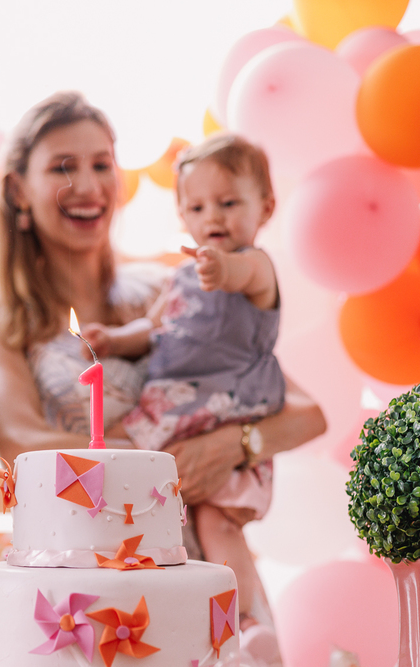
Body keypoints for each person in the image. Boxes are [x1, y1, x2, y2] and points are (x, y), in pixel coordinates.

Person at [0, 93, 326, 656]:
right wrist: (159, 467)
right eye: (64, 166)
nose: (89, 185)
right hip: (95, 595)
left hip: (205, 563)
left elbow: (303, 413)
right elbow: (21, 443)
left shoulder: (166, 288)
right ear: (17, 190)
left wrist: (233, 443)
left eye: (102, 165)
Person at [79, 134, 283, 633]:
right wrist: (114, 338)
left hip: (224, 410)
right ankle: (187, 628)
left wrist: (223, 266)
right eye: (197, 206)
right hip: (177, 421)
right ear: (182, 217)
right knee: (167, 530)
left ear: (266, 207)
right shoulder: (179, 279)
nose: (212, 217)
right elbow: (152, 327)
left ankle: (243, 623)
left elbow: (240, 275)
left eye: (229, 203)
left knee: (218, 524)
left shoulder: (254, 265)